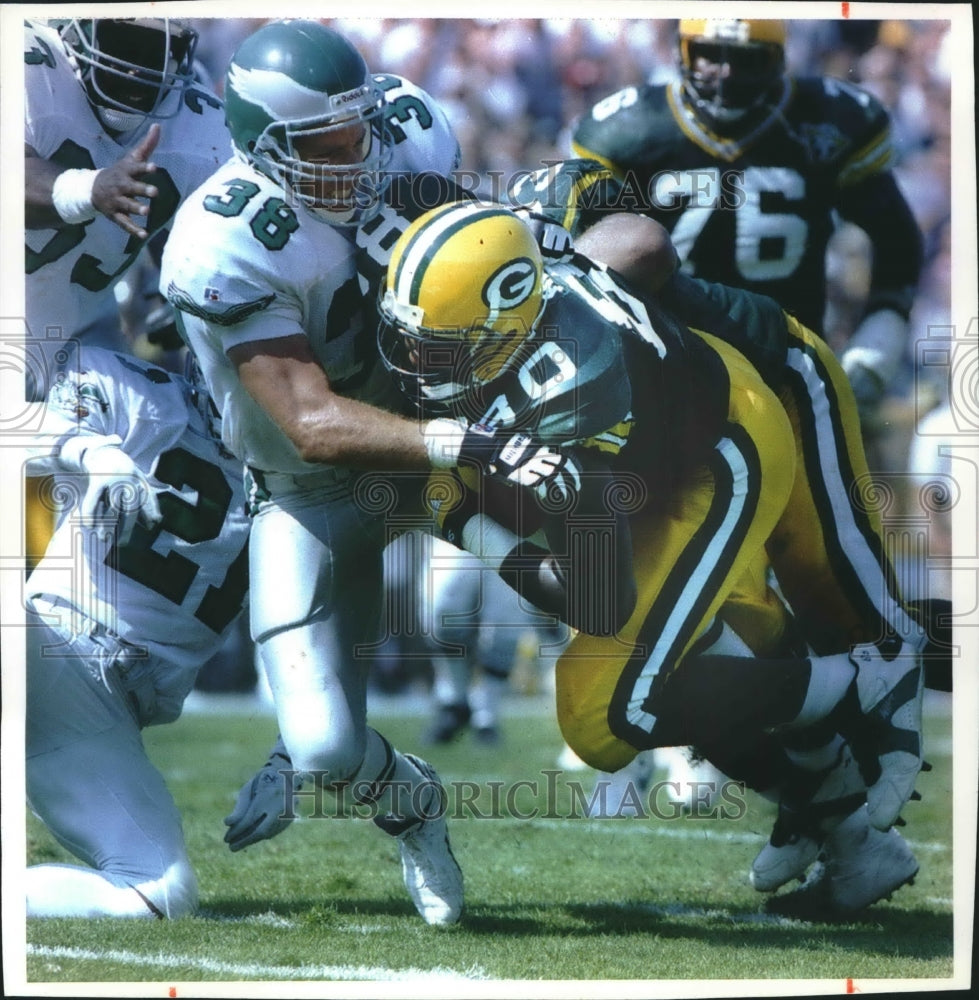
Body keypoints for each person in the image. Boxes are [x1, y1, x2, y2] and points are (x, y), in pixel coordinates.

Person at [373, 200, 924, 915]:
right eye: (410, 337)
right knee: (715, 646)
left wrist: (460, 522)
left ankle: (857, 683)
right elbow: (637, 240)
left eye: (437, 344)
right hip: (657, 448)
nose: (414, 361)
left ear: (503, 326)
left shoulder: (570, 394)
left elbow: (598, 601)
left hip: (719, 453)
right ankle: (844, 828)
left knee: (608, 714)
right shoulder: (526, 311)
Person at [160, 20, 575, 927]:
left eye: (358, 132)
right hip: (315, 490)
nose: (353, 155)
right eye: (323, 145)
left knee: (588, 581)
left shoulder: (409, 128)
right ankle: (414, 804)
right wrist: (465, 444)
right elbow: (311, 424)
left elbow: (468, 262)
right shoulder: (222, 240)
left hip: (438, 451)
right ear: (261, 146)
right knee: (320, 748)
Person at [568, 18, 924, 427]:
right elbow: (579, 249)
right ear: (682, 52)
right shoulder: (628, 129)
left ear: (779, 59)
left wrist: (884, 325)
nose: (726, 73)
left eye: (746, 58)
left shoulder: (828, 120)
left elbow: (895, 237)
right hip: (666, 360)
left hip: (788, 360)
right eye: (709, 55)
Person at [24, 348, 250, 918]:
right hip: (44, 645)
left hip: (104, 715)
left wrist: (291, 758)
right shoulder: (130, 391)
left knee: (160, 893)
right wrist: (92, 450)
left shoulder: (305, 481)